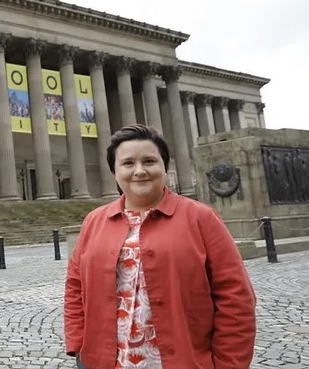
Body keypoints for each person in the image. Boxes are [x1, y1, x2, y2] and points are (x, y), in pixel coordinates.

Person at [64, 124, 256, 368]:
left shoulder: (200, 218)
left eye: (149, 161)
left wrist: (229, 364)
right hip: (103, 361)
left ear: (164, 167)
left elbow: (235, 297)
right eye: (128, 163)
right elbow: (75, 285)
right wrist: (79, 343)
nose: (140, 171)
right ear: (114, 171)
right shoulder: (94, 221)